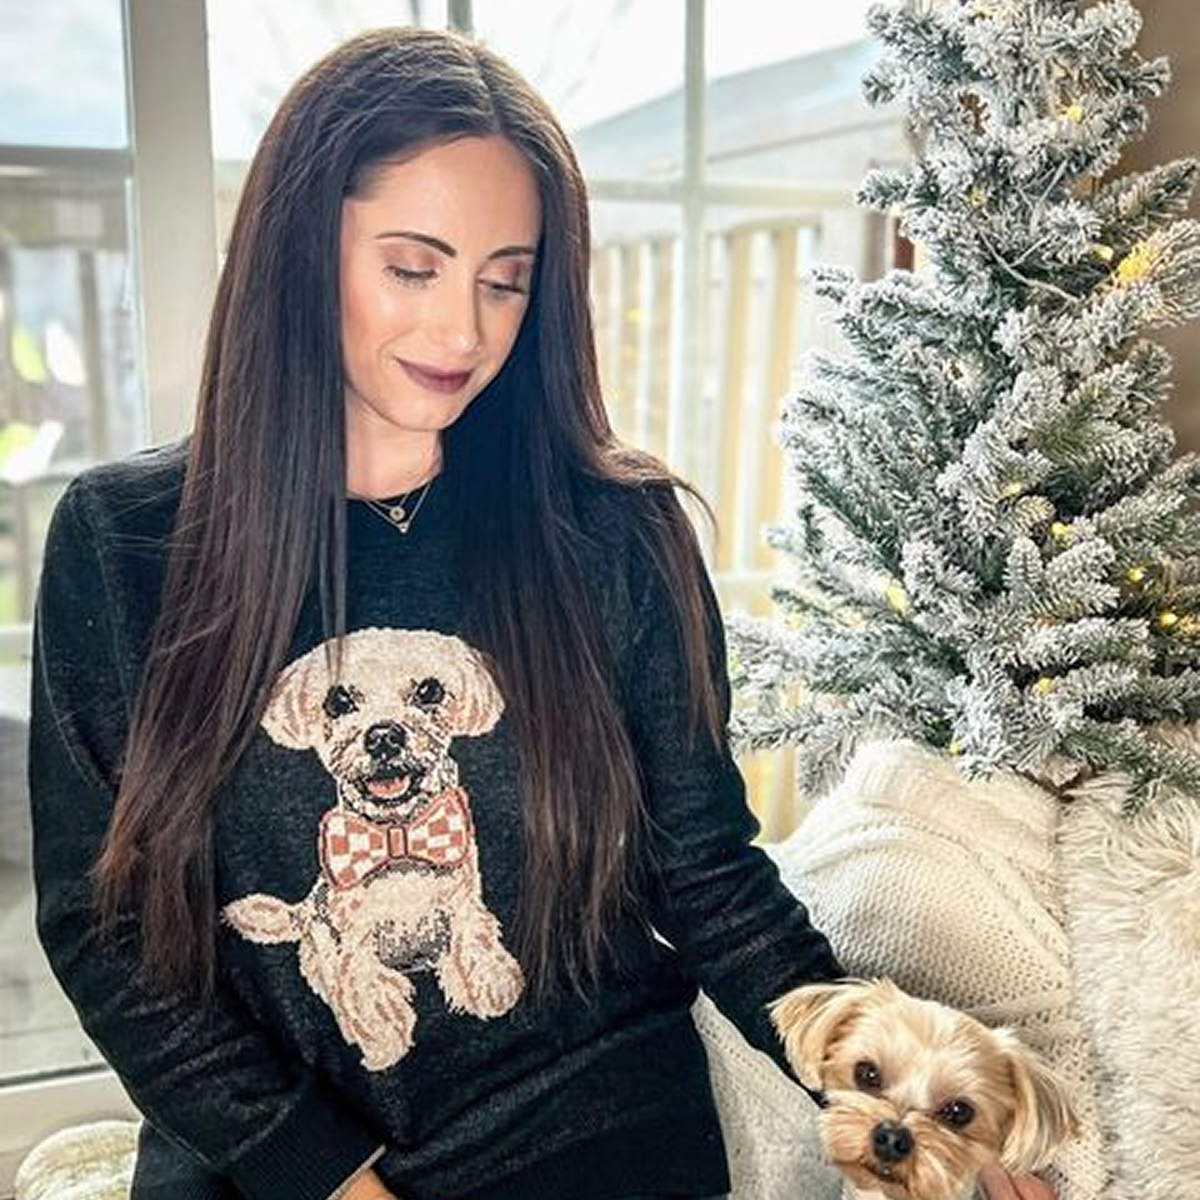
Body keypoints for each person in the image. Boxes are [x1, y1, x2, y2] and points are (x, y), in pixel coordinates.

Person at [27, 26, 1055, 1200]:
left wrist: (907, 1112)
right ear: (299, 254)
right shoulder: (124, 541)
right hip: (268, 1150)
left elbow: (705, 871)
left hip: (582, 1123)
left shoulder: (617, 532)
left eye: (505, 279)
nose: (463, 332)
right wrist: (317, 1172)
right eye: (412, 267)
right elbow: (102, 930)